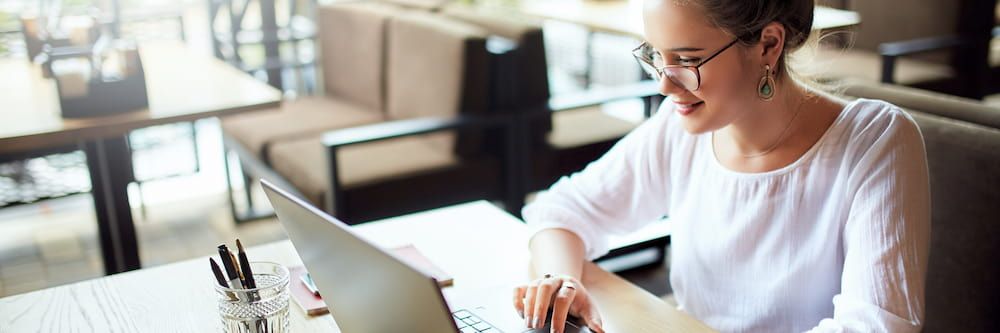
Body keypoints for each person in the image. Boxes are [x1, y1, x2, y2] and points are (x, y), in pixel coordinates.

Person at [512, 0, 931, 332]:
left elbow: (876, 324)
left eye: (686, 59)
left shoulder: (875, 142)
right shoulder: (679, 130)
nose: (664, 82)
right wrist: (563, 283)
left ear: (769, 43)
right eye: (655, 55)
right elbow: (561, 212)